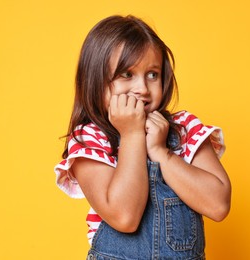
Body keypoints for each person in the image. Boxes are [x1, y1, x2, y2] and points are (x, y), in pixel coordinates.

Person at [54, 14, 231, 260]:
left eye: (152, 74)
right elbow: (125, 217)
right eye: (127, 74)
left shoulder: (184, 129)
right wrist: (131, 134)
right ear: (95, 79)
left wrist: (162, 152)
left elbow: (218, 205)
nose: (143, 89)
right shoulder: (89, 139)